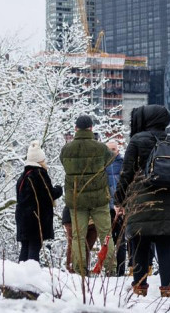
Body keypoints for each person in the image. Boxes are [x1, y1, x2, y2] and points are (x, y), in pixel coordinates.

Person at [116, 105, 170, 298]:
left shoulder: (137, 140)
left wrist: (119, 200)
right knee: (166, 245)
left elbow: (126, 174)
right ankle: (167, 291)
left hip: (142, 202)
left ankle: (139, 289)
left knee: (140, 243)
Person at [60, 115, 115, 275]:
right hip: (99, 200)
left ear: (76, 129)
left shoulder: (66, 149)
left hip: (76, 200)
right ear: (91, 128)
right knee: (106, 235)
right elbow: (109, 161)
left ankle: (80, 270)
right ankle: (111, 269)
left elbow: (64, 164)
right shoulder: (101, 148)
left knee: (78, 237)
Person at [15, 141, 63, 263]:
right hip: (36, 218)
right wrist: (58, 190)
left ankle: (20, 273)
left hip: (23, 217)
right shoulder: (39, 174)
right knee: (34, 247)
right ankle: (31, 274)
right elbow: (48, 194)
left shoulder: (24, 175)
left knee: (25, 247)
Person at [105, 138, 127, 276]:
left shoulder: (124, 164)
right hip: (106, 207)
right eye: (109, 149)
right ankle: (110, 269)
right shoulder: (101, 164)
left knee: (121, 239)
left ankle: (120, 271)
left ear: (118, 150)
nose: (111, 152)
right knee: (108, 239)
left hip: (121, 206)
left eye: (113, 149)